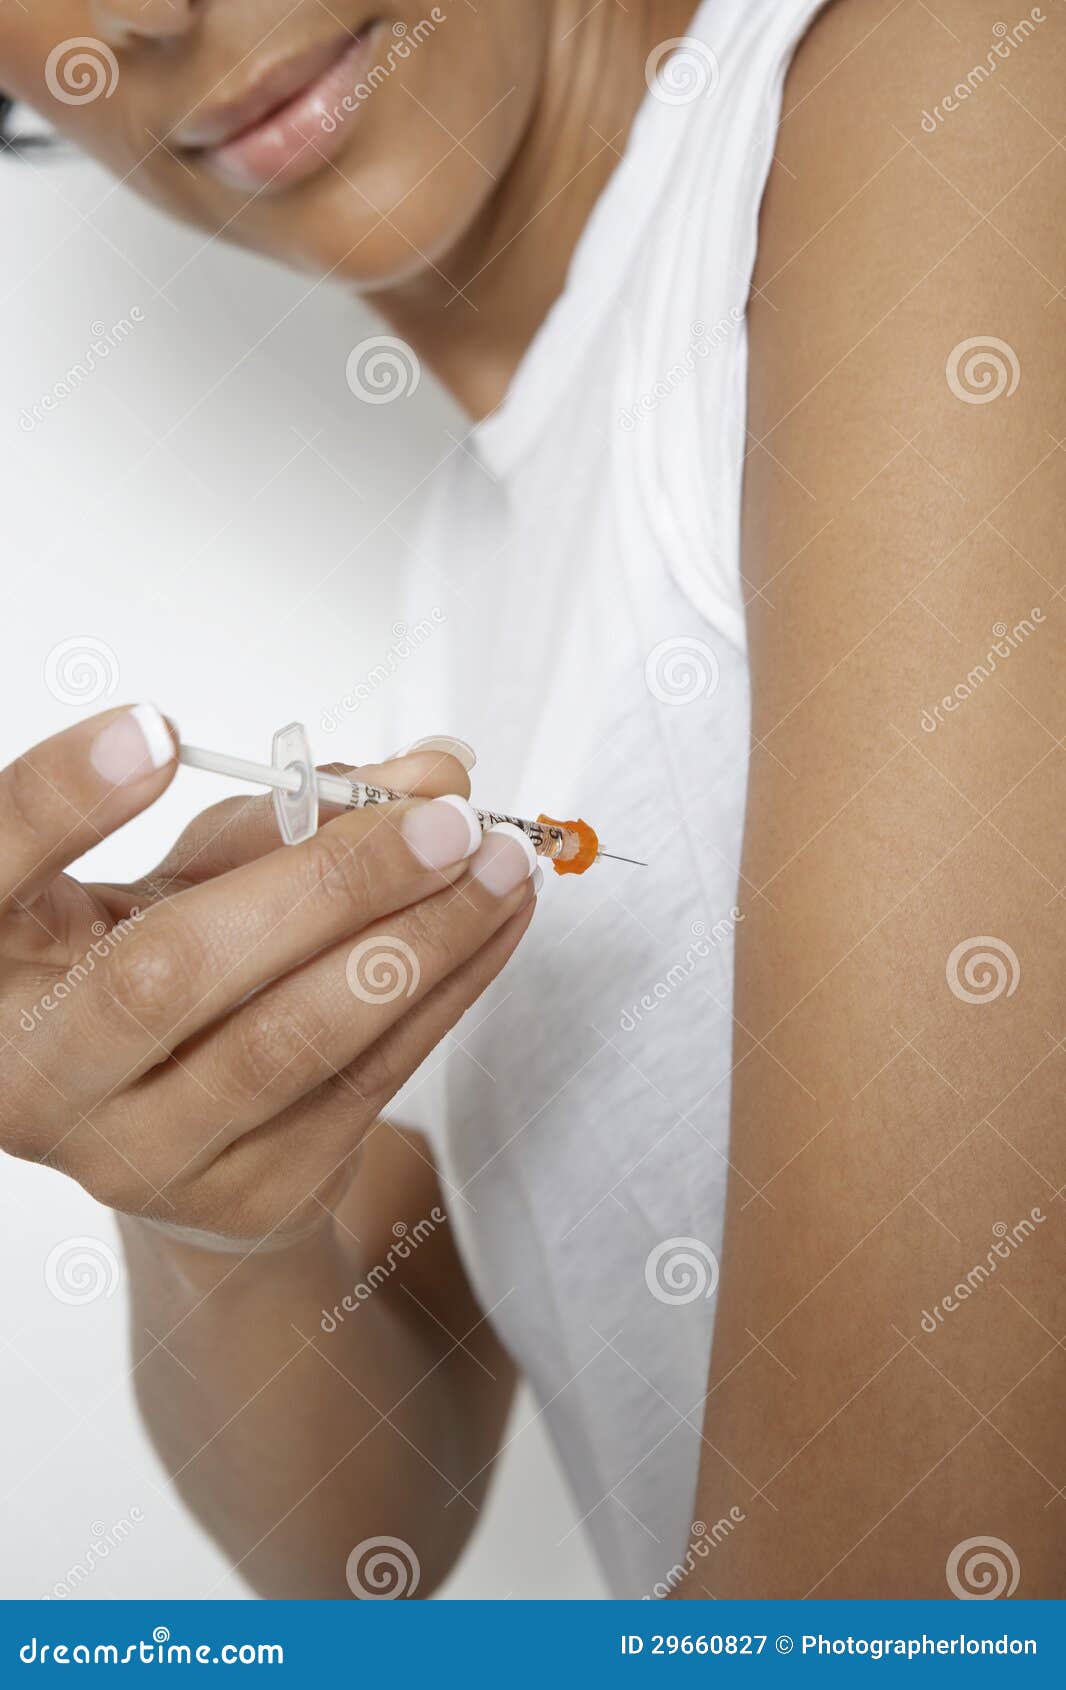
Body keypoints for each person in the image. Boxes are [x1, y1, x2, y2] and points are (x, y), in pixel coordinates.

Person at [0, 0, 1062, 1601]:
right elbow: (368, 1533)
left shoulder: (943, 87)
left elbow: (908, 1605)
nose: (147, 10)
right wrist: (208, 1196)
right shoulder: (464, 585)